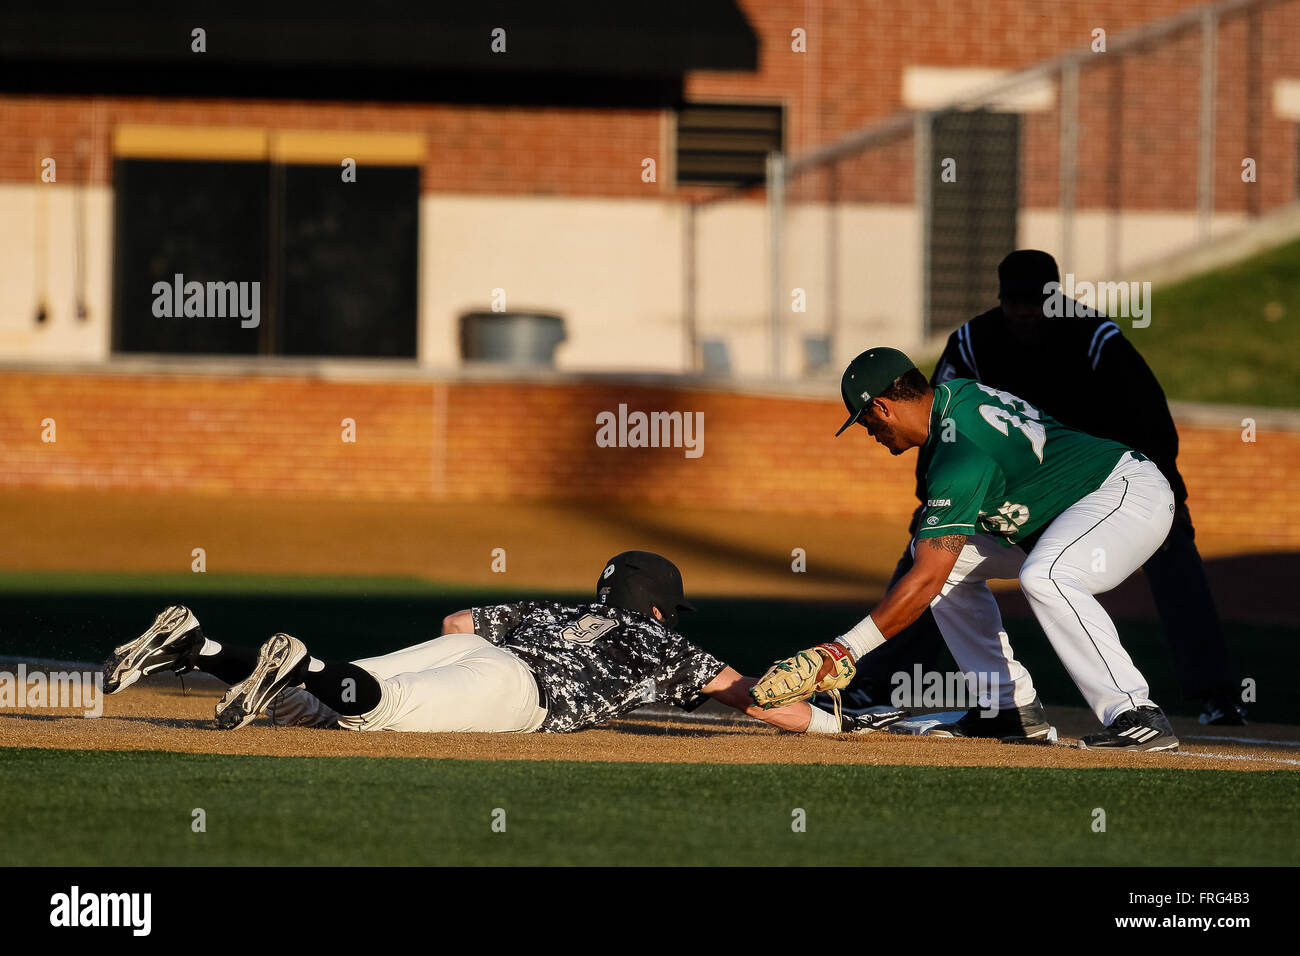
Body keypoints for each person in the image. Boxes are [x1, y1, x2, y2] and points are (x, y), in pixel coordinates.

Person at [842, 250, 1244, 726]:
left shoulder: (1090, 335)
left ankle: (1154, 706)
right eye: (1015, 300)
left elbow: (1147, 411)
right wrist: (937, 507)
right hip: (1032, 491)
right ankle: (997, 704)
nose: (1026, 311)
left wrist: (841, 649)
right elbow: (938, 440)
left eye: (1036, 300)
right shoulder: (972, 349)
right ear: (1000, 300)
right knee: (934, 555)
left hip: (1115, 480)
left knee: (1053, 573)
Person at [757, 347, 1181, 751]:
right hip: (1060, 512)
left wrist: (843, 649)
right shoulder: (954, 396)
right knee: (946, 559)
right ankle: (1005, 707)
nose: (869, 432)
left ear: (884, 406)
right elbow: (935, 565)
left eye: (866, 420)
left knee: (1046, 575)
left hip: (1123, 494)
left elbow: (925, 580)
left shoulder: (959, 452)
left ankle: (1136, 712)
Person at [103, 550, 905, 735]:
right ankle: (303, 660)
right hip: (526, 694)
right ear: (660, 609)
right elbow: (759, 698)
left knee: (317, 703)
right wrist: (838, 721)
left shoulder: (554, 608)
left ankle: (198, 648)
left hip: (493, 649)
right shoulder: (668, 649)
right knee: (370, 712)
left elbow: (457, 624)